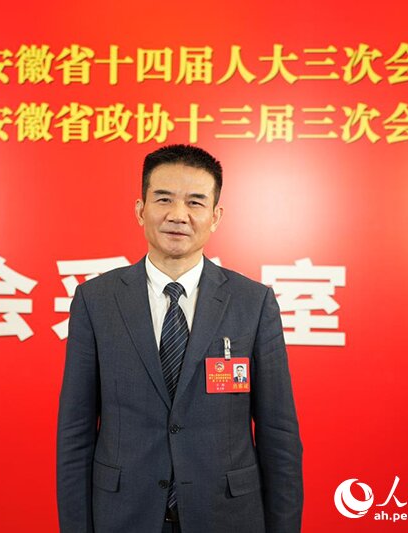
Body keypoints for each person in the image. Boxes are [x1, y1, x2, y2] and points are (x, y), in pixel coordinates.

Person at [57, 145, 303, 533]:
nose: (178, 215)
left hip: (227, 516)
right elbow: (75, 431)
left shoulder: (253, 303)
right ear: (140, 210)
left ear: (215, 216)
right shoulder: (96, 301)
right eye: (164, 199)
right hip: (123, 515)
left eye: (195, 202)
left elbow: (279, 435)